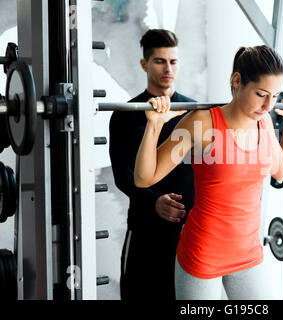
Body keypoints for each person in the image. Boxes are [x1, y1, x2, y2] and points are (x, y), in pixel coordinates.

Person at [134, 45, 283, 300]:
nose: (268, 105)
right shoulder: (201, 123)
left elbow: (281, 172)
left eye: (275, 96)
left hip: (248, 256)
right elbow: (144, 177)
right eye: (261, 94)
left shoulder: (265, 123)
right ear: (237, 81)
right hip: (202, 256)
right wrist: (154, 126)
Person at [109, 29, 195, 301]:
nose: (168, 68)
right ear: (144, 64)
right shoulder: (126, 114)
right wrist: (153, 201)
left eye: (173, 61)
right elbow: (123, 174)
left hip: (190, 231)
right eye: (159, 61)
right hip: (146, 229)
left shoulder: (196, 111)